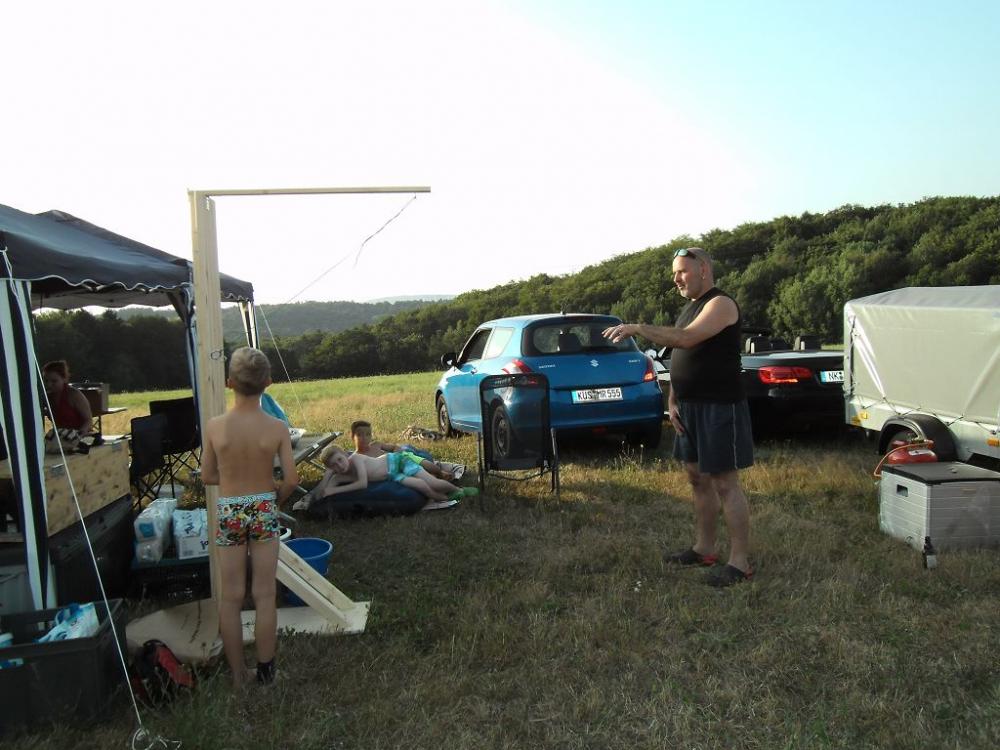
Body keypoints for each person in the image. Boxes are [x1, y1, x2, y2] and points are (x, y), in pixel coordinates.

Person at [603, 246, 754, 587]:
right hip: (688, 407)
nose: (676, 279)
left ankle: (740, 562)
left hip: (719, 407)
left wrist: (637, 328)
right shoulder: (690, 307)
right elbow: (683, 358)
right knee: (697, 479)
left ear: (703, 270)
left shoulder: (720, 304)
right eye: (674, 274)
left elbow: (685, 340)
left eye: (682, 271)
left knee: (725, 484)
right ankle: (704, 549)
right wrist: (673, 397)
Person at [200, 347, 298, 688]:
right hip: (263, 508)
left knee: (231, 596)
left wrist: (232, 480)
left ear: (229, 382)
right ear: (268, 382)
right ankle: (267, 674)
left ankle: (239, 676)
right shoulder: (277, 427)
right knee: (265, 594)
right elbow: (291, 480)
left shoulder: (215, 427)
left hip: (230, 509)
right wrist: (273, 499)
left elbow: (207, 476)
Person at [299, 443, 477, 511]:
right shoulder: (338, 476)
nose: (339, 466)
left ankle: (458, 489)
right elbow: (322, 490)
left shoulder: (356, 459)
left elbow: (362, 483)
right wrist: (328, 476)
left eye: (339, 460)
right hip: (393, 475)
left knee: (432, 482)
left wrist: (333, 491)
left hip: (398, 461)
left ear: (345, 454)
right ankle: (448, 498)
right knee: (424, 488)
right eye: (333, 466)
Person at [349, 419, 460, 480]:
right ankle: (437, 480)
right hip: (395, 469)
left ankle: (440, 472)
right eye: (360, 435)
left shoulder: (376, 445)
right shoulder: (357, 457)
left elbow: (394, 447)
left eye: (368, 434)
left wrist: (397, 454)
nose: (364, 438)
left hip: (403, 458)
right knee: (423, 476)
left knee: (429, 466)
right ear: (352, 436)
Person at [41, 360, 93, 435]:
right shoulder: (47, 397)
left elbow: (88, 420)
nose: (49, 384)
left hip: (81, 436)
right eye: (46, 381)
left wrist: (78, 435)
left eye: (54, 381)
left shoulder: (74, 395)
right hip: (61, 436)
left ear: (64, 379)